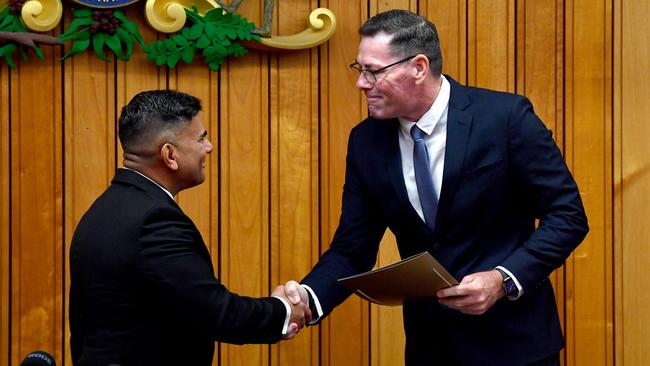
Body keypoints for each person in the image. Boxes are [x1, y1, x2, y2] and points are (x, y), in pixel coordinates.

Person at [284, 9, 588, 366]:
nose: (361, 83)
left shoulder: (505, 118)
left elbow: (567, 215)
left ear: (418, 67)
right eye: (359, 69)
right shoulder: (366, 141)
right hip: (430, 349)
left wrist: (503, 280)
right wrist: (306, 298)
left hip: (515, 345)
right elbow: (352, 248)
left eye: (373, 71)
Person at [69, 90, 310, 366]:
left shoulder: (103, 210)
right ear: (169, 155)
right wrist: (282, 311)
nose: (209, 147)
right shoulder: (154, 221)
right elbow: (214, 312)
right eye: (201, 138)